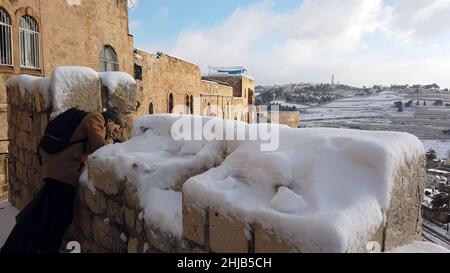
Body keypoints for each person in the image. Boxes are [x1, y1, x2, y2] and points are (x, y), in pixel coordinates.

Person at [1, 108, 124, 253]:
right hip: (62, 174)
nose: (115, 130)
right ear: (110, 120)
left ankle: (21, 246)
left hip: (58, 172)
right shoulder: (96, 119)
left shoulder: (94, 120)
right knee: (60, 216)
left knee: (41, 213)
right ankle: (42, 248)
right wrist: (114, 145)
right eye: (116, 127)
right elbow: (98, 146)